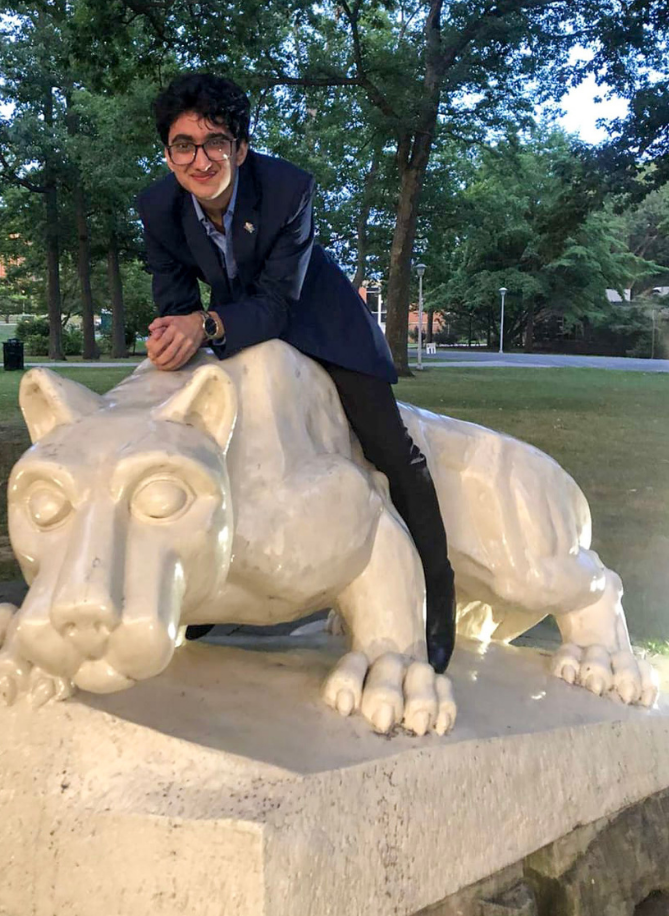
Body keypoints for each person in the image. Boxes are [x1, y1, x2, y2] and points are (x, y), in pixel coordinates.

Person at [135, 73, 457, 673]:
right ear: (168, 152)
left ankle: (438, 594)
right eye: (184, 144)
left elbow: (281, 302)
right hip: (232, 327)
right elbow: (174, 297)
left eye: (215, 142)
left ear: (241, 147)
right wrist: (170, 332)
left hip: (318, 319)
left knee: (391, 449)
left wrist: (203, 324)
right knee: (210, 434)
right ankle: (207, 582)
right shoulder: (158, 208)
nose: (200, 159)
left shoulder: (288, 190)